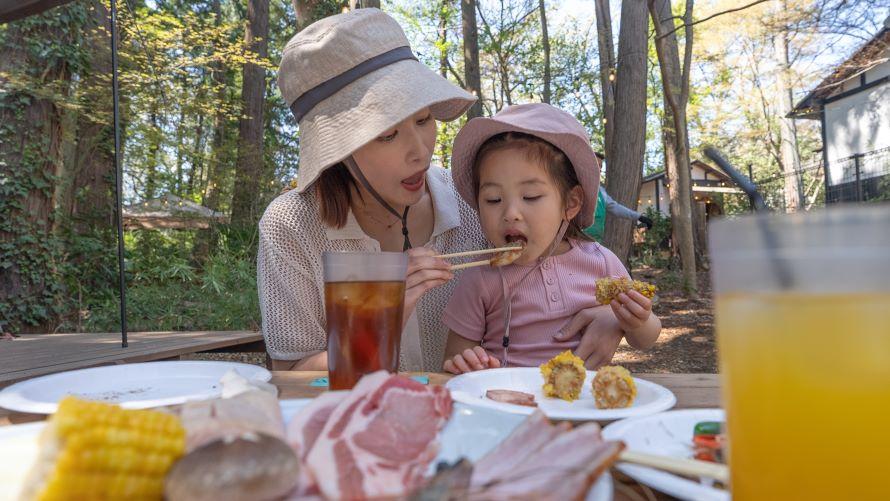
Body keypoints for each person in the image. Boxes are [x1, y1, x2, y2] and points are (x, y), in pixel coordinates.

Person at [260, 8, 627, 372]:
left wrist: (614, 314)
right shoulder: (292, 227)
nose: (420, 151)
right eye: (388, 135)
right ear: (338, 149)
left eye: (424, 119)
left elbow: (556, 263)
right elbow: (290, 373)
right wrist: (380, 322)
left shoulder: (476, 202)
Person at [440, 104, 661, 373]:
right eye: (493, 199)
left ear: (571, 203)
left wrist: (639, 321)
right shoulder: (480, 277)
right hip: (508, 395)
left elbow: (644, 340)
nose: (510, 213)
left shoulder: (600, 262)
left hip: (582, 395)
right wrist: (467, 363)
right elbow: (453, 358)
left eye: (531, 197)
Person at [583, 185, 653, 241]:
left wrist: (639, 217)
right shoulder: (578, 186)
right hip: (579, 239)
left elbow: (615, 207)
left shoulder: (600, 191)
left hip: (595, 242)